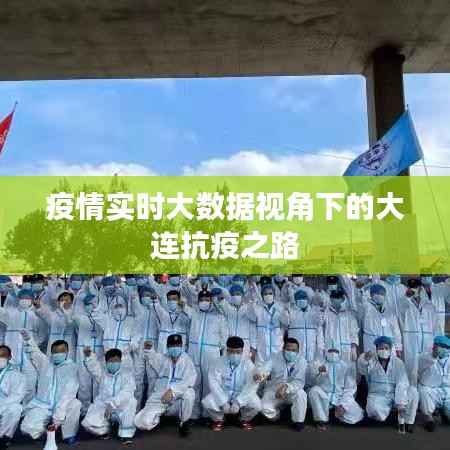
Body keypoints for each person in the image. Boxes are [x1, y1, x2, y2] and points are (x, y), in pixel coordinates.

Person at [20, 333, 81, 445]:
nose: (57, 354)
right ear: (51, 352)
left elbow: (69, 393)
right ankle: (47, 432)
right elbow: (35, 352)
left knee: (75, 404)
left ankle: (69, 434)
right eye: (55, 351)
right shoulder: (45, 363)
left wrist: (58, 416)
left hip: (63, 406)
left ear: (67, 352)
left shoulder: (72, 368)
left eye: (61, 351)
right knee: (27, 428)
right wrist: (29, 340)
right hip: (43, 405)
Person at [134, 334, 196, 436]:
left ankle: (184, 422)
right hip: (160, 397)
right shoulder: (163, 358)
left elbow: (189, 380)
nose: (175, 348)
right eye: (172, 346)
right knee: (141, 423)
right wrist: (149, 348)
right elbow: (153, 357)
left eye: (177, 345)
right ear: (167, 347)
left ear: (181, 346)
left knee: (189, 393)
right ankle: (158, 416)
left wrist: (173, 391)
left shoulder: (187, 361)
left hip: (177, 399)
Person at [357, 336, 418, 434]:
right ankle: (393, 417)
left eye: (386, 348)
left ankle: (408, 422)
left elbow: (402, 382)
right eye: (381, 348)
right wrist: (365, 359)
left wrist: (400, 403)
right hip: (378, 395)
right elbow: (362, 370)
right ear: (376, 349)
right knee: (374, 410)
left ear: (390, 349)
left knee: (413, 392)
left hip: (395, 394)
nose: (384, 350)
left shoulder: (398, 362)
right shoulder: (371, 360)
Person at [202, 336, 261, 431]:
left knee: (257, 404)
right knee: (207, 402)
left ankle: (244, 419)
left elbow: (251, 386)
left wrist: (239, 402)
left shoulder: (248, 363)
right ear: (227, 350)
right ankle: (219, 419)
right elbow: (214, 383)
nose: (234, 354)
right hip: (224, 393)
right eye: (231, 352)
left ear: (242, 351)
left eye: (238, 352)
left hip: (240, 394)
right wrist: (223, 402)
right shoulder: (218, 362)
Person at [82, 347, 137, 445]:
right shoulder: (102, 374)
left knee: (131, 401)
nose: (114, 363)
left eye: (116, 361)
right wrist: (89, 356)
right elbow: (94, 367)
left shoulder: (127, 375)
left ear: (120, 361)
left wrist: (113, 403)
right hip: (104, 407)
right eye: (111, 361)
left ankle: (126, 434)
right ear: (106, 362)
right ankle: (106, 428)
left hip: (121, 407)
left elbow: (127, 392)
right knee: (87, 424)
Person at [186, 290, 228, 419]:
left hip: (211, 353)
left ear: (211, 301)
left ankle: (208, 414)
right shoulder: (194, 314)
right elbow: (185, 309)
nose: (204, 302)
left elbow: (224, 337)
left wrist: (218, 350)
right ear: (198, 301)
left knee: (210, 383)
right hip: (194, 352)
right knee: (194, 382)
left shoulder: (219, 317)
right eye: (201, 299)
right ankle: (193, 414)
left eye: (207, 300)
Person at [0, 289, 46, 403]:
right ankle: (11, 407)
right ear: (18, 299)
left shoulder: (37, 315)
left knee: (30, 384)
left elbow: (43, 334)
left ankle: (27, 409)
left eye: (27, 298)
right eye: (22, 298)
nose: (24, 300)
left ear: (32, 299)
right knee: (11, 384)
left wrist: (33, 344)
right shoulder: (10, 313)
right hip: (12, 356)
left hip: (30, 358)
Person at [258, 337, 308, 431]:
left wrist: (286, 387)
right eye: (288, 349)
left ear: (298, 351)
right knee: (263, 407)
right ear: (283, 349)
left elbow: (299, 381)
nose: (291, 352)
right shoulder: (274, 357)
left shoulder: (302, 361)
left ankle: (298, 422)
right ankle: (279, 415)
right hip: (274, 390)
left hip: (291, 390)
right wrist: (261, 374)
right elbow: (265, 369)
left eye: (294, 350)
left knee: (301, 394)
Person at [308, 347, 364, 430]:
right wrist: (318, 372)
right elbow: (311, 381)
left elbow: (350, 389)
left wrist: (343, 405)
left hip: (340, 397)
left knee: (357, 414)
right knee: (314, 391)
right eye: (331, 351)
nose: (333, 354)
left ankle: (337, 415)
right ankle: (321, 420)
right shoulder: (319, 364)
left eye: (335, 351)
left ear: (339, 353)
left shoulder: (346, 366)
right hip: (325, 396)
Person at [399, 278, 439, 386]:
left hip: (427, 344)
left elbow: (436, 326)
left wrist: (436, 343)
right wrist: (407, 297)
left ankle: (424, 393)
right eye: (411, 287)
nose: (413, 289)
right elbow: (400, 312)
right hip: (411, 344)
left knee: (427, 371)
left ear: (420, 288)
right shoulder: (404, 304)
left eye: (416, 287)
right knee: (411, 371)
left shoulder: (429, 305)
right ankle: (412, 394)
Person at [73, 293, 104, 415]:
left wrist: (97, 312)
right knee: (83, 381)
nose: (90, 306)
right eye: (87, 304)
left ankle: (97, 408)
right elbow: (73, 317)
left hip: (99, 350)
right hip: (83, 350)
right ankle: (84, 409)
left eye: (92, 304)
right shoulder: (80, 318)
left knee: (98, 380)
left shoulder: (102, 317)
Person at [281, 288, 324, 363]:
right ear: (295, 300)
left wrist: (319, 307)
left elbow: (320, 324)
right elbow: (285, 322)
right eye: (299, 298)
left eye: (303, 298)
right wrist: (286, 311)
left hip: (312, 353)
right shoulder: (291, 313)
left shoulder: (313, 313)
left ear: (307, 299)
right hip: (296, 354)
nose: (301, 300)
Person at [213, 285, 257, 359]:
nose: (236, 296)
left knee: (244, 364)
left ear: (243, 296)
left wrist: (253, 347)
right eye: (233, 294)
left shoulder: (248, 309)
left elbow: (253, 329)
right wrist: (218, 296)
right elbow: (217, 304)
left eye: (238, 294)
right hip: (229, 343)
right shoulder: (227, 307)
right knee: (227, 364)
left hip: (244, 344)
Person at [418, 335, 450, 432]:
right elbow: (420, 367)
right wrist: (433, 357)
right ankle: (429, 418)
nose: (443, 349)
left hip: (447, 390)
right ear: (434, 346)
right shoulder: (425, 357)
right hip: (431, 389)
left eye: (445, 347)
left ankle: (445, 413)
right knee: (423, 391)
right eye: (440, 346)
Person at [247, 283, 285, 363]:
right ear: (262, 295)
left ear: (274, 295)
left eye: (270, 293)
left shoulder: (280, 308)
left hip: (277, 348)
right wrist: (253, 302)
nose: (268, 295)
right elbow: (251, 317)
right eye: (265, 294)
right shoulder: (258, 308)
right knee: (261, 369)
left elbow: (286, 323)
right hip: (262, 350)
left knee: (277, 368)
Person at [34, 290, 77, 360]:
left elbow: (70, 323)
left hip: (69, 346)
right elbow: (44, 314)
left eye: (67, 300)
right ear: (58, 302)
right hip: (54, 346)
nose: (64, 302)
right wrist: (38, 306)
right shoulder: (54, 315)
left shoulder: (75, 315)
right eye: (62, 300)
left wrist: (65, 312)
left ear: (71, 302)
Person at [361, 284, 402, 354]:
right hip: (372, 343)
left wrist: (398, 347)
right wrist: (363, 292)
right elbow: (362, 301)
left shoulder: (389, 311)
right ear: (371, 295)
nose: (379, 295)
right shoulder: (367, 308)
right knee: (373, 360)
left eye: (382, 294)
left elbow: (396, 330)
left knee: (390, 360)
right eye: (377, 293)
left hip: (388, 343)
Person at [323, 290, 359, 369]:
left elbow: (354, 332)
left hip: (346, 349)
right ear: (330, 299)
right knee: (333, 371)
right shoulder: (326, 313)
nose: (336, 299)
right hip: (331, 348)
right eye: (334, 297)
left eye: (338, 297)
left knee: (348, 372)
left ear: (343, 299)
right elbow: (321, 329)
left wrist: (353, 348)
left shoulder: (349, 314)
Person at [0, 345, 26, 450]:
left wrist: (1, 405)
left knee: (16, 408)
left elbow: (17, 396)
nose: (0, 358)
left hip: (5, 406)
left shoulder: (17, 375)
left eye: (3, 355)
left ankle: (3, 438)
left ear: (10, 357)